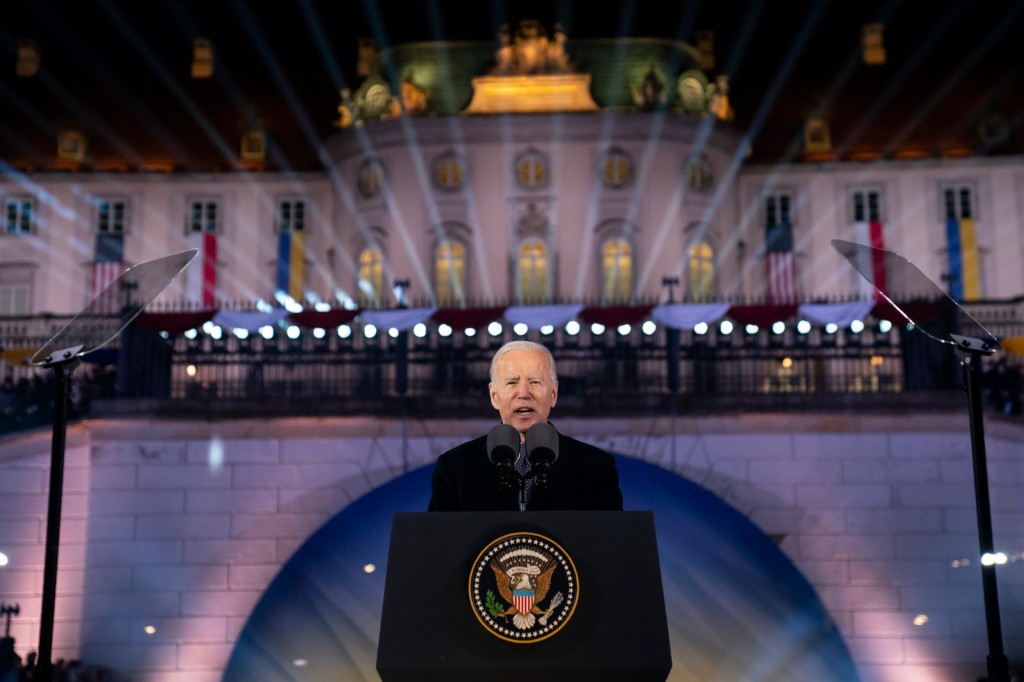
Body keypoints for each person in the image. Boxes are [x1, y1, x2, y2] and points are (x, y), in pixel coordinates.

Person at [427, 340, 623, 511]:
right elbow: (438, 548)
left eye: (535, 382)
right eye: (512, 382)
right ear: (494, 396)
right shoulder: (455, 468)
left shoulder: (595, 467)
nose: (523, 393)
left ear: (553, 393)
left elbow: (613, 547)